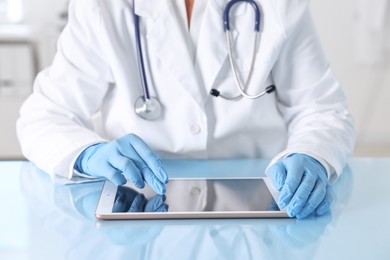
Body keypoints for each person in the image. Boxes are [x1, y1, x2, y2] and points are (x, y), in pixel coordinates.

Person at [17, 0, 355, 219]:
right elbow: (44, 116)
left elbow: (322, 110)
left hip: (260, 211)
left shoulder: (279, 5)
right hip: (140, 208)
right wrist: (89, 153)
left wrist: (311, 155)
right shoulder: (103, 7)